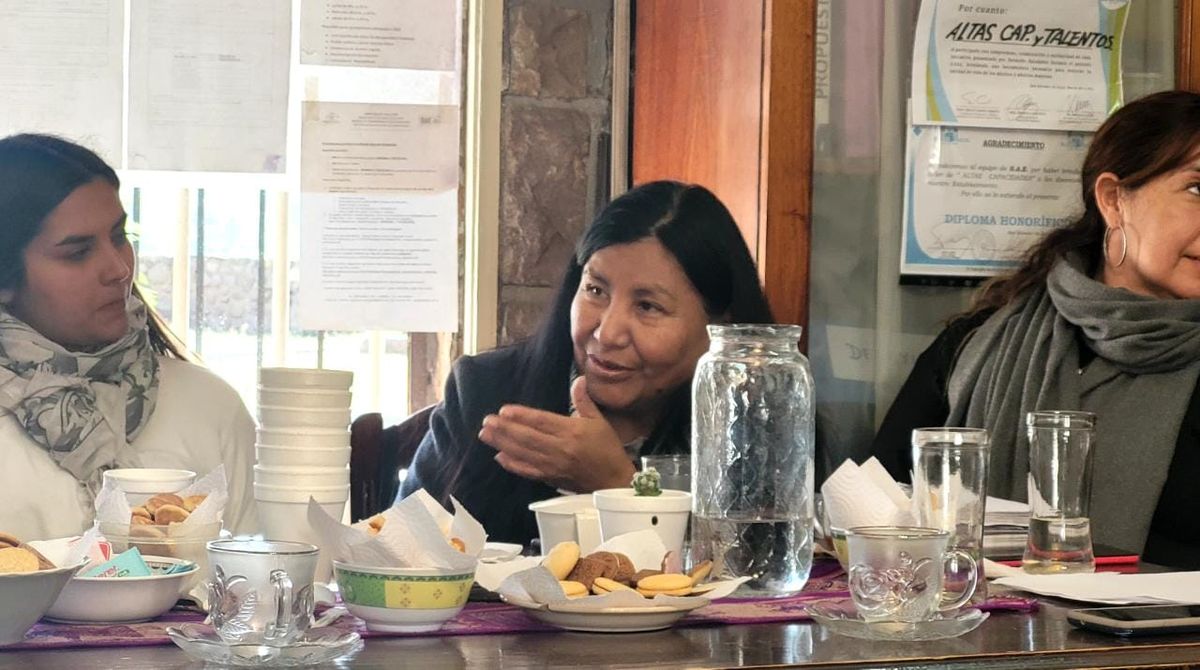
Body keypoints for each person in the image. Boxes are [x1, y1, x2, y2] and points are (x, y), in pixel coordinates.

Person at [872, 90, 1200, 567]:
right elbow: (879, 510)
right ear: (1114, 201)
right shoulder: (981, 343)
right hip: (981, 614)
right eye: (1197, 189)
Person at [400, 181, 775, 544]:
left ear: (721, 327)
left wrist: (617, 485)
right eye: (595, 290)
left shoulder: (757, 418)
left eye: (648, 306)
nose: (607, 333)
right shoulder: (484, 392)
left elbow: (763, 567)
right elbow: (394, 552)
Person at [0, 133, 257, 541]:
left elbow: (257, 572)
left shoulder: (210, 406)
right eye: (78, 252)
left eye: (120, 237)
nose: (119, 269)